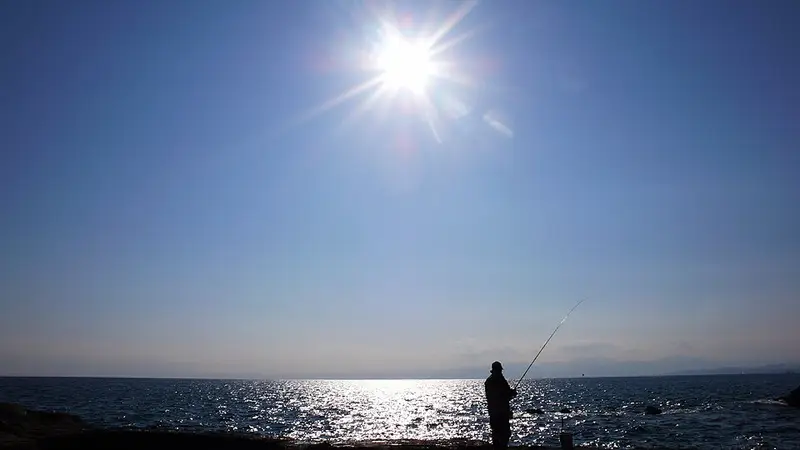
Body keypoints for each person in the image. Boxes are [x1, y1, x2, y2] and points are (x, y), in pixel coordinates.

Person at [484, 361, 518, 450]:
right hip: (502, 412)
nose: (501, 372)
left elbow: (494, 396)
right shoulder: (500, 380)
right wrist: (512, 393)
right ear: (498, 370)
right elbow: (504, 395)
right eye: (500, 370)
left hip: (493, 411)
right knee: (505, 433)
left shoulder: (488, 381)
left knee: (496, 433)